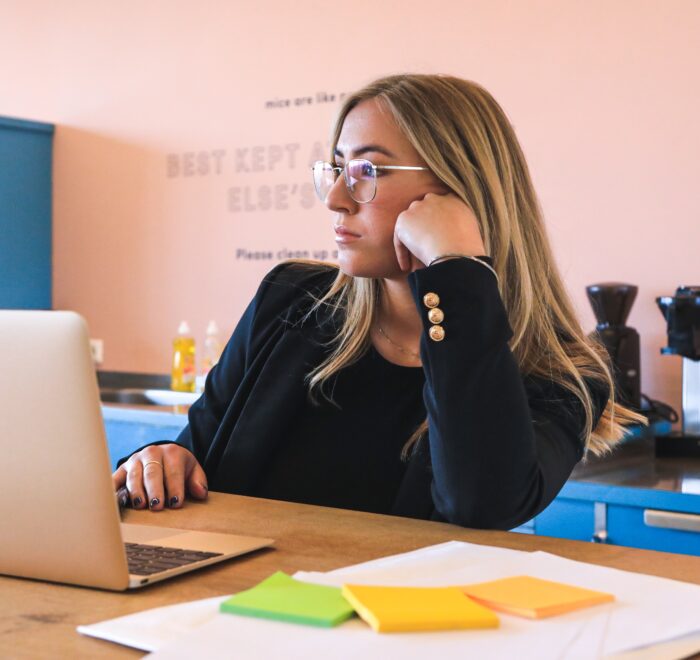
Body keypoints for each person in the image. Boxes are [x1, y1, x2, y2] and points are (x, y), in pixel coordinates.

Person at [113, 74, 645, 529]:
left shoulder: (561, 374)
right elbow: (195, 454)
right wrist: (164, 461)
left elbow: (482, 505)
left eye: (368, 171)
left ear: (459, 190)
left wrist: (457, 270)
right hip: (231, 617)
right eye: (337, 167)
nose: (336, 198)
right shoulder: (290, 301)